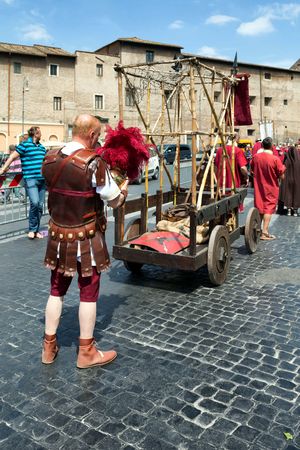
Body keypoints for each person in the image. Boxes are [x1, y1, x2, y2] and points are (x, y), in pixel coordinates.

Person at [41, 114, 128, 369]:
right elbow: (113, 200)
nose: (98, 140)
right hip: (86, 237)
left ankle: (48, 347)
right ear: (91, 134)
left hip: (58, 235)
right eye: (98, 135)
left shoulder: (50, 158)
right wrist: (123, 190)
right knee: (88, 291)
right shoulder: (93, 162)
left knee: (56, 290)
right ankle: (87, 351)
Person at [0, 127, 46, 239]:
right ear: (35, 133)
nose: (41, 134)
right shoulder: (25, 145)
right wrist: (3, 169)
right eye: (40, 132)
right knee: (34, 203)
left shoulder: (42, 148)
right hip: (30, 179)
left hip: (42, 180)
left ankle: (36, 230)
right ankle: (32, 229)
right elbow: (12, 156)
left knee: (40, 206)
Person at [251, 137, 285, 240]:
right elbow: (282, 175)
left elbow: (252, 169)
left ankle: (258, 229)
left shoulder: (256, 157)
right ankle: (264, 232)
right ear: (271, 146)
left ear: (262, 146)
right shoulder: (275, 159)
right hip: (271, 187)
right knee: (268, 209)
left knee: (260, 207)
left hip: (259, 186)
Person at [214, 134, 248, 211]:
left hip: (221, 183)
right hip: (234, 183)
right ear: (237, 139)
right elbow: (243, 168)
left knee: (221, 208)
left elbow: (215, 168)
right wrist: (246, 177)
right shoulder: (237, 150)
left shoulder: (219, 150)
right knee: (233, 209)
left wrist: (215, 179)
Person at [279, 145, 300, 216]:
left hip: (287, 181)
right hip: (297, 181)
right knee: (296, 194)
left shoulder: (286, 161)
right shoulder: (298, 161)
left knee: (288, 194)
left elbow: (282, 170)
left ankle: (288, 210)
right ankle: (295, 211)